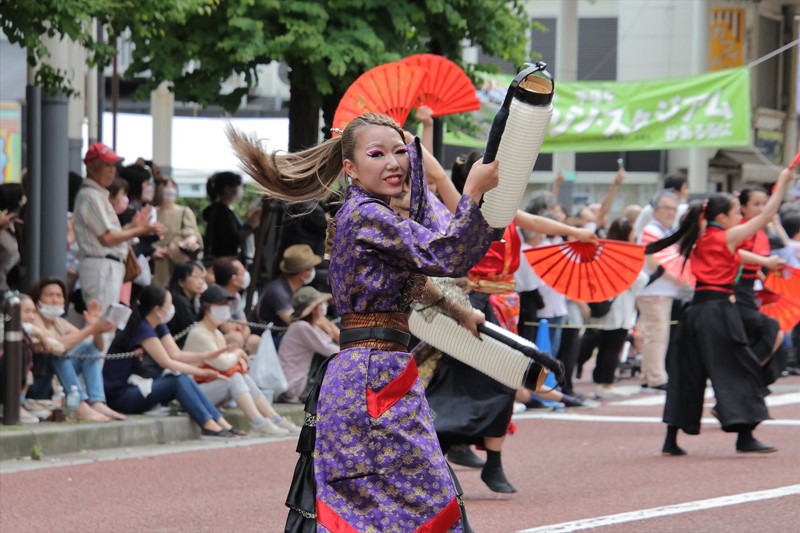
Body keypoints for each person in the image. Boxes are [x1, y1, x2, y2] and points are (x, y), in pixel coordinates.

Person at [229, 112, 499, 531]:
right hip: (374, 375)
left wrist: (461, 311)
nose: (393, 163)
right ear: (350, 169)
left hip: (369, 372)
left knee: (379, 503)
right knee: (416, 499)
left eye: (399, 152)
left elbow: (419, 274)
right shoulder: (369, 216)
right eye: (377, 154)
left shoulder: (364, 213)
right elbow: (447, 254)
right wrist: (472, 191)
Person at [646, 167, 794, 456]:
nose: (740, 216)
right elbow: (766, 216)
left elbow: (737, 253)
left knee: (687, 373)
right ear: (723, 217)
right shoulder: (725, 236)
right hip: (719, 312)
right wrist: (783, 183)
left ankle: (671, 439)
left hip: (695, 312)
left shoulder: (703, 238)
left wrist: (766, 261)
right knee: (740, 368)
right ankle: (745, 437)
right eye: (737, 212)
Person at [103, 285, 243, 438]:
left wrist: (206, 356)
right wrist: (203, 372)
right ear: (157, 310)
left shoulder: (158, 324)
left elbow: (176, 354)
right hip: (120, 396)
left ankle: (220, 422)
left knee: (181, 378)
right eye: (169, 305)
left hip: (138, 386)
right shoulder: (143, 328)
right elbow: (167, 362)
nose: (172, 309)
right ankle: (208, 424)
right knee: (176, 380)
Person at [182, 285, 298, 437]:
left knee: (242, 376)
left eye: (227, 305)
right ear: (206, 306)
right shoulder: (199, 333)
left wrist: (236, 358)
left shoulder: (216, 333)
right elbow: (224, 364)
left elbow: (226, 363)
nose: (226, 309)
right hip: (192, 393)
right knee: (235, 377)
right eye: (221, 304)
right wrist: (237, 353)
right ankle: (258, 422)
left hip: (208, 386)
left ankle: (275, 419)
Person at [72, 143, 162, 313]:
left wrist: (133, 226)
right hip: (101, 265)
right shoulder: (91, 196)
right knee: (102, 321)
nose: (112, 170)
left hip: (106, 266)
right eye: (107, 165)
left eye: (113, 165)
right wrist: (139, 230)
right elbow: (107, 238)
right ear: (91, 167)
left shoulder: (97, 195)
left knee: (107, 321)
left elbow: (111, 235)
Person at [29, 277, 124, 422]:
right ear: (38, 301)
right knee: (58, 352)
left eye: (59, 295)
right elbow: (55, 345)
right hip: (38, 384)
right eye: (50, 295)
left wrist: (96, 329)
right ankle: (79, 405)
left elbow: (96, 346)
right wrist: (91, 329)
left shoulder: (59, 322)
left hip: (58, 385)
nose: (55, 300)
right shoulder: (34, 319)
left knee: (88, 347)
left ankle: (97, 401)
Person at [580, 219, 648, 398]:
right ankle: (606, 384)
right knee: (613, 348)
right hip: (619, 308)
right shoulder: (624, 255)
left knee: (604, 348)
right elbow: (639, 280)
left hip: (603, 305)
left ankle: (599, 383)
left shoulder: (602, 252)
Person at [277, 286, 339, 404]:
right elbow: (329, 349)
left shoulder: (308, 327)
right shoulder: (301, 327)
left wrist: (328, 326)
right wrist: (352, 351)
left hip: (296, 384)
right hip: (292, 386)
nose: (324, 306)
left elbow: (333, 340)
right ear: (313, 309)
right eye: (320, 304)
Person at [256, 244, 321, 335]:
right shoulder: (279, 291)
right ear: (301, 272)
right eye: (310, 268)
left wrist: (332, 331)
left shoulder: (298, 288)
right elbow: (297, 325)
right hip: (270, 337)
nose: (313, 271)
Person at [153, 177, 203, 285]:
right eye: (166, 186)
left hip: (178, 259)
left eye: (173, 186)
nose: (170, 190)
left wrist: (191, 239)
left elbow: (194, 233)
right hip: (157, 261)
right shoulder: (152, 212)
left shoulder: (184, 211)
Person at [202, 171, 261, 262]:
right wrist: (249, 225)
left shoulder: (219, 210)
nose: (241, 189)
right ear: (227, 189)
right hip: (225, 262)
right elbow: (234, 240)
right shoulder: (222, 212)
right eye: (238, 185)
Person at [212, 256, 259, 352]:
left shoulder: (236, 296)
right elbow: (226, 328)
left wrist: (239, 328)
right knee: (236, 338)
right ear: (234, 279)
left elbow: (245, 326)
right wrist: (238, 328)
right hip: (215, 338)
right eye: (243, 272)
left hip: (237, 335)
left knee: (255, 340)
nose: (246, 275)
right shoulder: (216, 296)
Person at [167, 261, 207, 346]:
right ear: (181, 282)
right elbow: (192, 328)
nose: (201, 282)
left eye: (202, 277)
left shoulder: (194, 300)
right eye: (195, 277)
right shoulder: (179, 301)